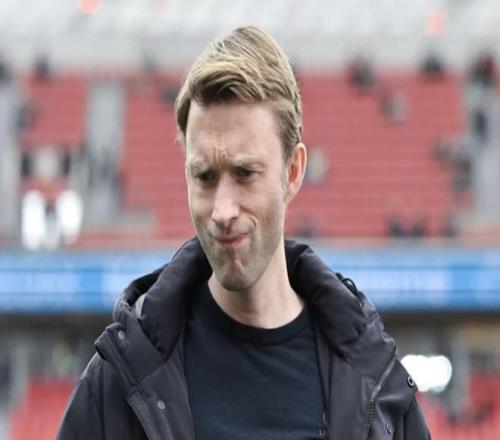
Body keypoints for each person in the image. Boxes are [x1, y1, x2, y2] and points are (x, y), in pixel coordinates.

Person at [58, 26, 430, 439]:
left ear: (293, 171)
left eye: (245, 173)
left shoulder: (378, 385)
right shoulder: (116, 384)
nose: (223, 211)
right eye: (204, 176)